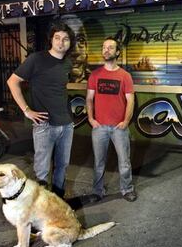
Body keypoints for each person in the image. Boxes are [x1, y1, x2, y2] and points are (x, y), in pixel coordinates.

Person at [7, 21, 75, 198]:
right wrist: (26, 110)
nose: (61, 42)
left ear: (69, 42)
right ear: (51, 40)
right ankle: (41, 208)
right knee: (42, 171)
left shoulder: (67, 63)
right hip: (44, 125)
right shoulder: (37, 59)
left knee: (62, 166)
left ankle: (58, 201)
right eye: (57, 38)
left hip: (67, 125)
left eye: (65, 39)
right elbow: (12, 81)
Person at [86, 37, 137, 202]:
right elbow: (89, 99)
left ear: (117, 52)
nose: (106, 50)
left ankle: (127, 189)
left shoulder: (125, 76)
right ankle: (97, 191)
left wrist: (126, 121)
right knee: (98, 162)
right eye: (104, 47)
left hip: (119, 128)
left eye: (110, 48)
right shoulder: (95, 75)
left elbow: (130, 100)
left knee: (124, 162)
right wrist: (91, 119)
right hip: (99, 127)